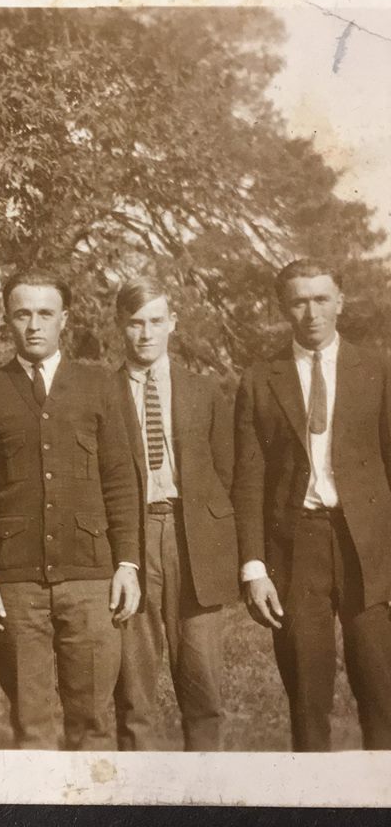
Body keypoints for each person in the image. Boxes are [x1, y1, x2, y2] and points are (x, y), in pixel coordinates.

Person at [0, 268, 141, 750]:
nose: (33, 324)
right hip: (13, 586)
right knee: (30, 725)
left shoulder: (98, 386)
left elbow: (121, 480)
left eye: (45, 313)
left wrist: (127, 564)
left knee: (93, 722)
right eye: (22, 313)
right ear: (7, 320)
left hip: (91, 580)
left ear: (64, 320)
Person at [233, 258, 391, 751]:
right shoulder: (261, 379)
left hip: (367, 546)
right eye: (299, 301)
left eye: (322, 299)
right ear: (283, 307)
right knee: (306, 694)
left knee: (382, 690)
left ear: (340, 302)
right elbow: (247, 478)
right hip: (296, 545)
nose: (311, 312)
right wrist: (254, 567)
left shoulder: (379, 369)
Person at [112, 277, 238, 751]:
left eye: (156, 322)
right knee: (133, 688)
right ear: (119, 327)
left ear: (173, 324)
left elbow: (226, 473)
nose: (146, 334)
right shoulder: (101, 391)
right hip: (132, 536)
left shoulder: (203, 391)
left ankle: (205, 798)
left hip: (193, 537)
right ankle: (138, 798)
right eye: (135, 323)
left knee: (202, 680)